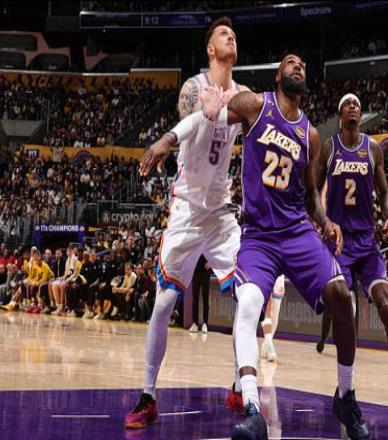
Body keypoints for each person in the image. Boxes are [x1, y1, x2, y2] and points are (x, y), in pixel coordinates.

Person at [222, 54, 368, 439]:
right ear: (278, 75)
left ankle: (346, 394)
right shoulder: (256, 105)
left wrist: (325, 220)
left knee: (342, 297)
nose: (298, 66)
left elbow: (310, 193)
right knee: (249, 303)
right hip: (259, 235)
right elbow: (217, 113)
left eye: (302, 63)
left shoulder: (311, 135)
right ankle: (252, 408)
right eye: (290, 62)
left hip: (297, 231)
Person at [125, 17, 246, 429]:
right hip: (188, 208)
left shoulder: (243, 94)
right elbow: (195, 126)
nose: (231, 37)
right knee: (164, 303)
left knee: (249, 294)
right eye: (223, 34)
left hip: (221, 212)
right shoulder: (194, 88)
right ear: (210, 49)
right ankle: (148, 395)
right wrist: (169, 138)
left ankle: (240, 386)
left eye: (233, 34)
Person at [316, 93, 388, 417]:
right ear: (340, 113)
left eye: (358, 105)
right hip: (340, 243)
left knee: (386, 305)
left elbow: (385, 192)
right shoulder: (329, 148)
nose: (354, 106)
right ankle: (346, 388)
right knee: (346, 311)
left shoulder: (373, 148)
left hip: (367, 242)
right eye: (348, 104)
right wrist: (324, 220)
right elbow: (313, 192)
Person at [260, 275, 285, 362]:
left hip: (279, 275)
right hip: (264, 272)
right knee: (267, 309)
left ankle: (266, 344)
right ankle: (270, 347)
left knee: (275, 313)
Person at [189, 255, 211, 334]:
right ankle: (195, 323)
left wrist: (211, 262)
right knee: (195, 299)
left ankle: (205, 323)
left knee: (205, 298)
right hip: (195, 271)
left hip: (205, 272)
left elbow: (212, 252)